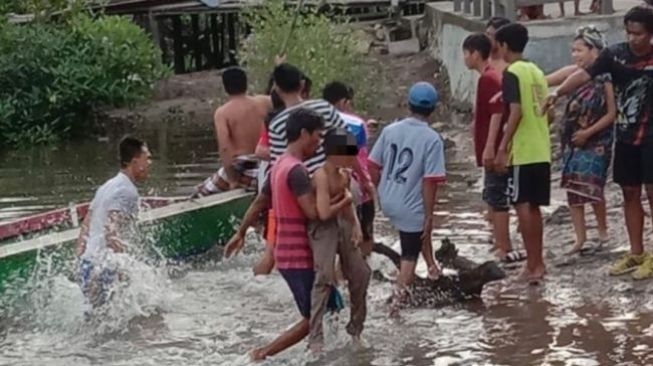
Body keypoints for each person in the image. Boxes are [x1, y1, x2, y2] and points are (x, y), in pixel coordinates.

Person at [224, 109, 349, 360]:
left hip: (287, 253)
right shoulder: (297, 171)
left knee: (333, 304)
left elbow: (260, 202)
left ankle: (323, 353)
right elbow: (314, 213)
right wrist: (342, 200)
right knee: (313, 315)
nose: (319, 143)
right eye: (317, 136)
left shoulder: (278, 165)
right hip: (298, 255)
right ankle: (261, 354)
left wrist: (240, 232)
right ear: (303, 134)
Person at [546, 6, 653, 279]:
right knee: (630, 193)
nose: (632, 38)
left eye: (638, 34)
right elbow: (583, 74)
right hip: (627, 137)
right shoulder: (614, 55)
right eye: (628, 32)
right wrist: (557, 93)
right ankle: (636, 252)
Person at [368, 81, 445, 315]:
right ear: (433, 109)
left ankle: (432, 266)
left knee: (416, 229)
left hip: (387, 197)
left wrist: (376, 193)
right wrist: (430, 215)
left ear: (408, 104)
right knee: (410, 253)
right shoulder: (432, 139)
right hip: (409, 203)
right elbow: (430, 181)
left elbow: (372, 165)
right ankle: (396, 307)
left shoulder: (390, 130)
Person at [546, 26, 616, 254]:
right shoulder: (574, 73)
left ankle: (603, 231)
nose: (575, 55)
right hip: (573, 140)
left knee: (593, 186)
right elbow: (547, 81)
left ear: (593, 50)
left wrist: (588, 132)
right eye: (573, 51)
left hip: (597, 139)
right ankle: (580, 238)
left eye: (579, 50)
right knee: (573, 188)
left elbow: (611, 113)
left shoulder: (605, 75)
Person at [494, 23, 550, 282]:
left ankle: (533, 265)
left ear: (504, 46)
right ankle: (538, 262)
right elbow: (548, 112)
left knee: (522, 206)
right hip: (542, 149)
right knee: (534, 207)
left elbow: (516, 111)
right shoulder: (536, 71)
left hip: (524, 150)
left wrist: (503, 147)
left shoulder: (512, 72)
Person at [309, 128, 371, 352]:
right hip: (323, 227)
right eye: (348, 153)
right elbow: (324, 213)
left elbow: (348, 204)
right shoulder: (321, 176)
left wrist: (355, 225)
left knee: (362, 274)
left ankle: (356, 328)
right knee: (324, 277)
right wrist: (344, 202)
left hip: (343, 224)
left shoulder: (344, 175)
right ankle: (315, 338)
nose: (352, 158)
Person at [462, 33, 523, 263]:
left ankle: (503, 245)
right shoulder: (490, 77)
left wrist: (491, 147)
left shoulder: (488, 79)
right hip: (497, 146)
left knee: (497, 197)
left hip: (497, 148)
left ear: (475, 53)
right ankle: (500, 242)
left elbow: (498, 113)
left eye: (466, 54)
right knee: (494, 195)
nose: (465, 59)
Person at [75, 136, 152, 309]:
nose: (150, 163)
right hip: (103, 268)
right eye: (147, 158)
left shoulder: (107, 186)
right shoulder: (127, 191)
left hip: (89, 262)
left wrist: (80, 261)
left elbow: (86, 225)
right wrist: (126, 268)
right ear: (135, 161)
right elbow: (112, 232)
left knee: (94, 320)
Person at [193, 67, 271, 197]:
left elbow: (224, 148)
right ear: (246, 83)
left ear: (225, 87)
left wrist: (232, 180)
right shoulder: (265, 102)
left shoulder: (223, 113)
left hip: (243, 171)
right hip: (265, 166)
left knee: (198, 196)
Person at [322, 81, 376, 256]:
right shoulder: (355, 123)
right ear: (343, 102)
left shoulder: (314, 120)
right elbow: (356, 158)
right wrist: (367, 182)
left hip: (323, 184)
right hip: (352, 185)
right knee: (363, 236)